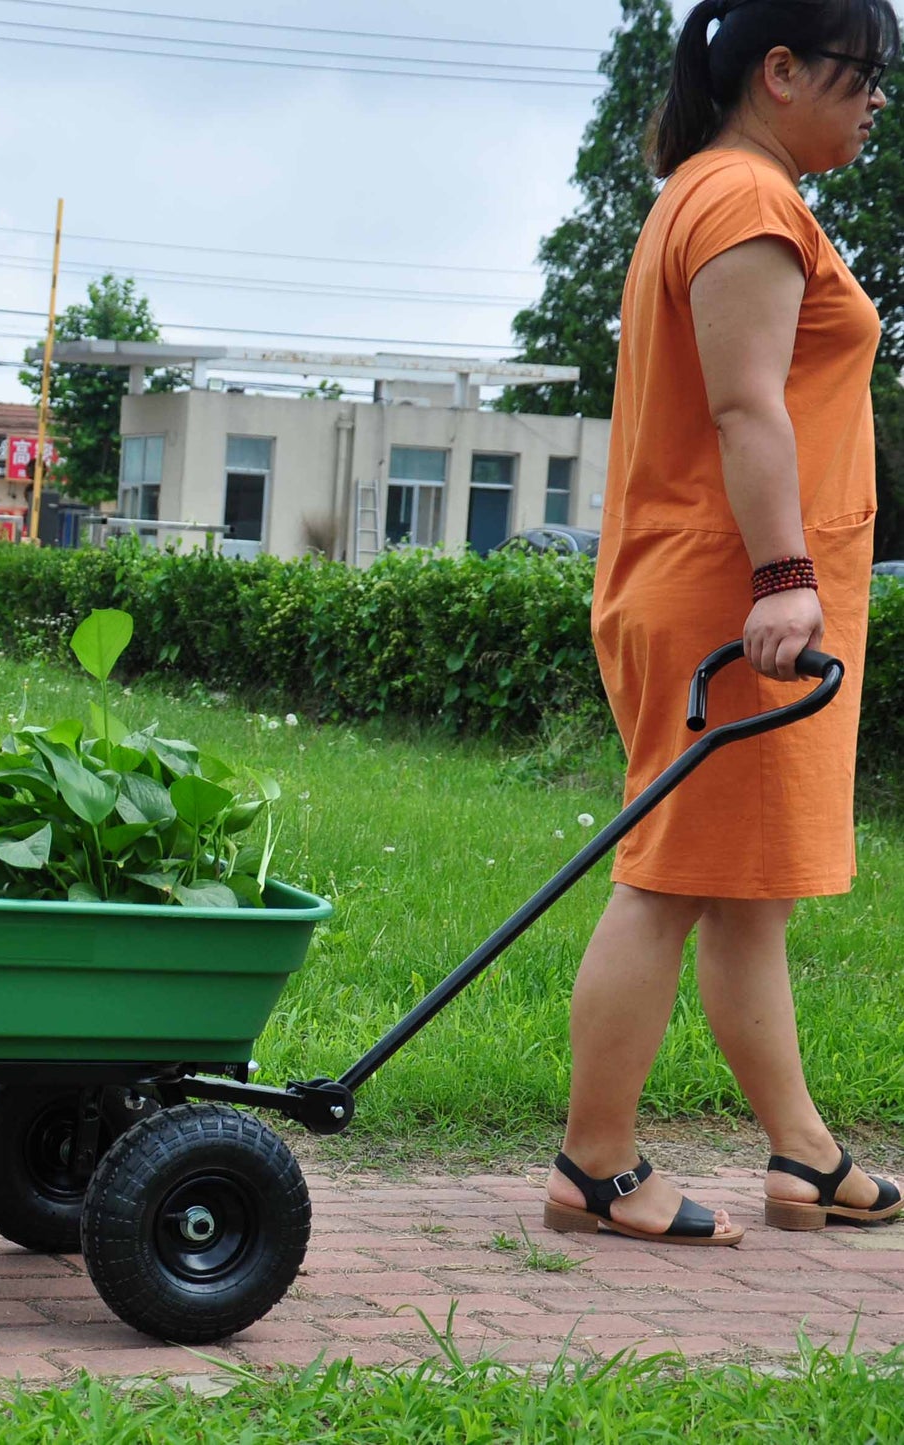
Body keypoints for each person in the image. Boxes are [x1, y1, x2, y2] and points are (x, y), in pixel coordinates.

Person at [544, 0, 904, 1246]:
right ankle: (593, 1162)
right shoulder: (744, 205)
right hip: (730, 595)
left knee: (746, 891)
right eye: (861, 78)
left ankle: (800, 1152)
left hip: (730, 582)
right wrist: (779, 579)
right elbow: (748, 412)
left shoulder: (722, 193)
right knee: (666, 879)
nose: (874, 104)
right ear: (780, 69)